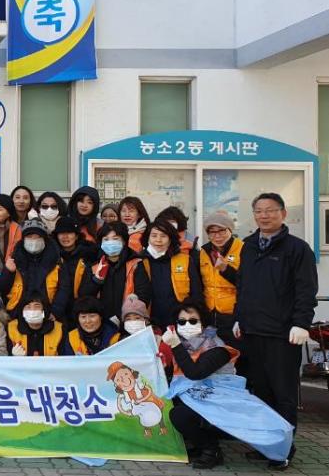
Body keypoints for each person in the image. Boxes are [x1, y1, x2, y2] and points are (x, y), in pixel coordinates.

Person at [165, 299, 295, 470]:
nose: (187, 325)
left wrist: (175, 345)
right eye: (182, 322)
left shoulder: (217, 348)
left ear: (203, 322)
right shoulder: (182, 346)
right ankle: (203, 445)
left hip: (224, 406)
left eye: (193, 321)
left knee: (181, 415)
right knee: (175, 410)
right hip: (200, 401)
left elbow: (195, 373)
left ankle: (213, 451)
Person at [234, 192, 317, 447]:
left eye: (270, 210)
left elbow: (306, 289)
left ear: (283, 213)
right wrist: (239, 318)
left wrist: (301, 323)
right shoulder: (248, 246)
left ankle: (283, 449)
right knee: (260, 392)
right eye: (259, 211)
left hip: (282, 334)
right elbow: (242, 286)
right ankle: (265, 445)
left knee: (283, 393)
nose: (264, 216)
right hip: (252, 332)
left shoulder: (297, 249)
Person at [135, 219, 202, 328]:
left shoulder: (185, 260)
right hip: (149, 321)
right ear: (147, 238)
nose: (158, 240)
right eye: (154, 236)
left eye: (163, 236)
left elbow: (196, 292)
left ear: (170, 239)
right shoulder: (139, 261)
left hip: (181, 321)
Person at [75, 222, 142, 325]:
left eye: (115, 239)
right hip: (100, 322)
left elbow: (143, 293)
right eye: (106, 239)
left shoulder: (136, 263)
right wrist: (96, 281)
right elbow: (83, 296)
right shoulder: (94, 265)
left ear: (124, 241)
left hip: (129, 320)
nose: (111, 243)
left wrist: (129, 315)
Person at [0, 218, 63, 315]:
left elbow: (64, 289)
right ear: (23, 240)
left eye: (37, 237)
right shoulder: (14, 260)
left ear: (45, 240)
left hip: (48, 312)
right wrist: (8, 272)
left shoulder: (56, 262)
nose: (33, 240)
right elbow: (1, 288)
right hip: (17, 312)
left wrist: (55, 312)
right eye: (29, 237)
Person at [195, 211, 242, 347]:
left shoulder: (243, 249)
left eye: (221, 231)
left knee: (235, 352)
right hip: (209, 313)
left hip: (233, 314)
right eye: (212, 232)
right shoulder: (204, 252)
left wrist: (226, 270)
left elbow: (249, 284)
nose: (217, 236)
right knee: (211, 351)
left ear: (230, 230)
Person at [120, 293, 174, 375]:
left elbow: (169, 371)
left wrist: (165, 366)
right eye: (128, 319)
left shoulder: (158, 340)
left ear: (146, 320)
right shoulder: (119, 341)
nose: (133, 321)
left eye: (137, 318)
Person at [6, 291, 63, 357]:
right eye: (28, 307)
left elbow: (65, 358)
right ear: (22, 312)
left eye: (37, 306)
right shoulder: (11, 329)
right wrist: (14, 358)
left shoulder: (59, 329)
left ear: (44, 310)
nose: (32, 310)